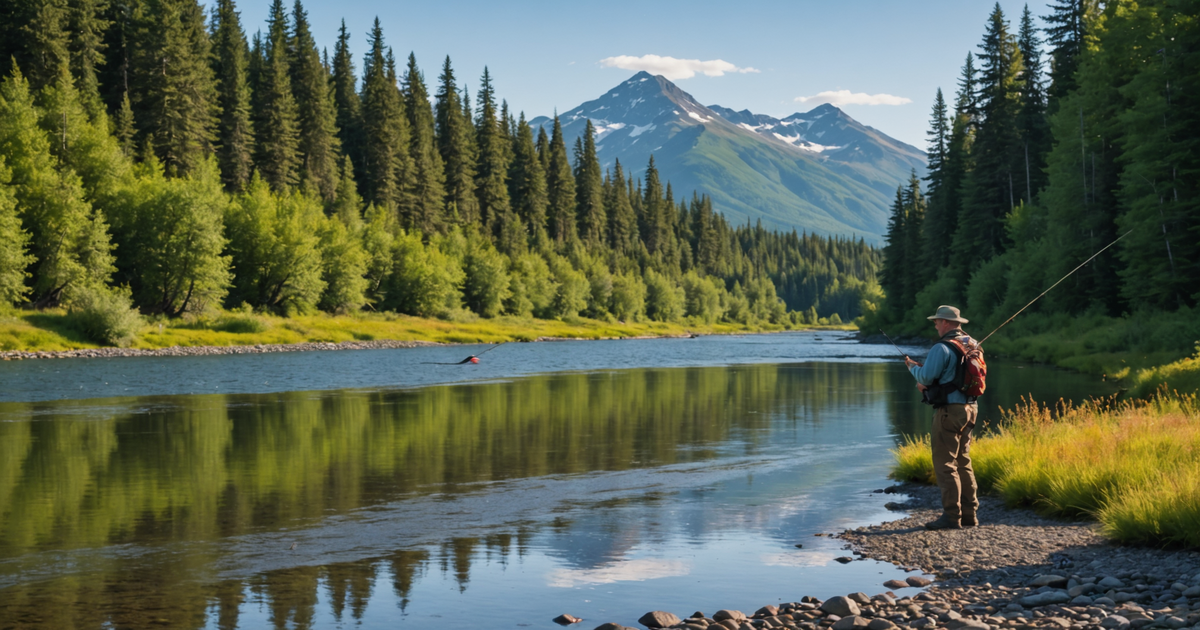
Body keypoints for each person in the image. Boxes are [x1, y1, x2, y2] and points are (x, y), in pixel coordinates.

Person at [903, 305, 979, 530]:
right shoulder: (972, 343)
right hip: (971, 409)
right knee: (963, 461)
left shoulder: (942, 347)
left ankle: (951, 517)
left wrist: (912, 369)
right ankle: (969, 515)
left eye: (937, 321)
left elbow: (926, 377)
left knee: (945, 463)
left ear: (946, 323)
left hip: (949, 411)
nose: (935, 325)